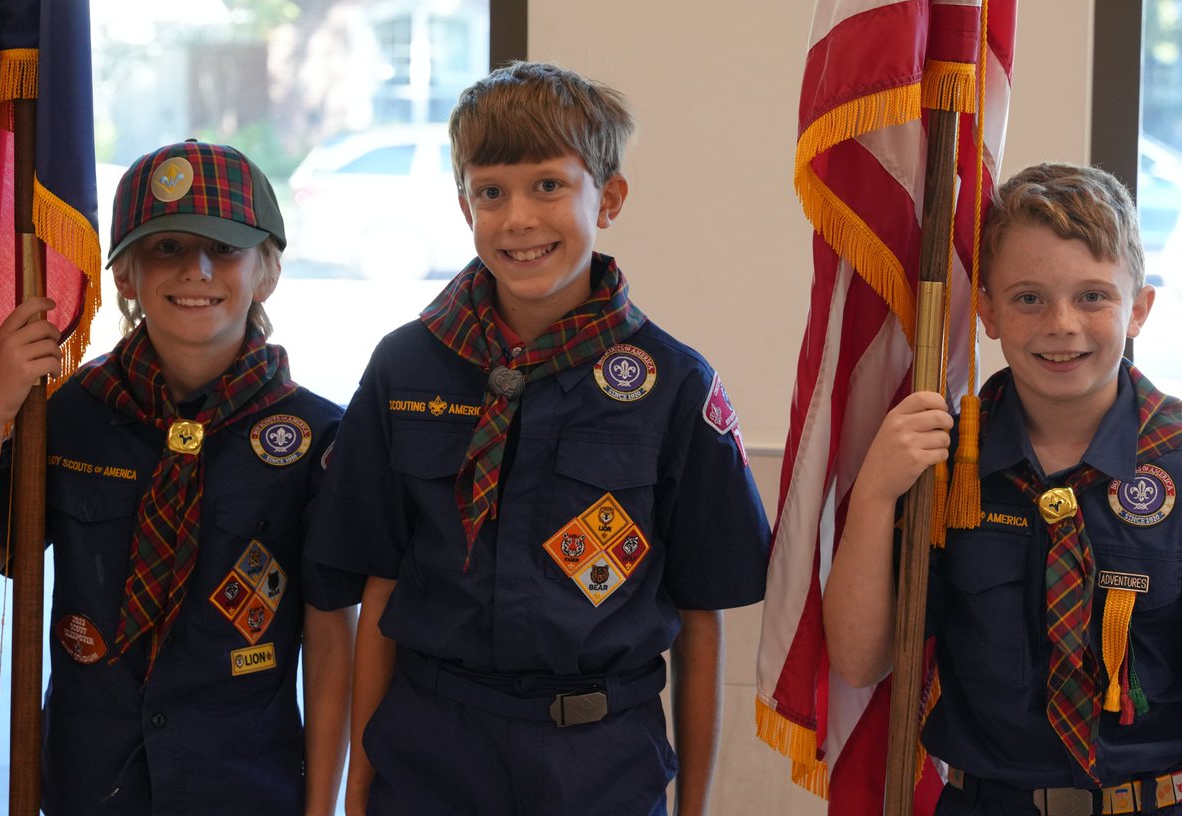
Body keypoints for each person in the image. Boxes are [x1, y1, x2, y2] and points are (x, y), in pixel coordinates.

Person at [307, 61, 772, 816]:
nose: (518, 218)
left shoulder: (674, 385)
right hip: (431, 754)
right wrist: (357, 795)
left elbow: (699, 617)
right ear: (464, 205)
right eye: (491, 192)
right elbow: (381, 585)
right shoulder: (406, 366)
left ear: (608, 198)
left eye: (548, 185)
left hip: (600, 763)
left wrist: (694, 808)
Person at [0, 140, 358, 816]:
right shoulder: (68, 414)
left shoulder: (316, 438)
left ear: (268, 271)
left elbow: (332, 642)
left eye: (224, 248)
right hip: (89, 786)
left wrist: (323, 808)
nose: (196, 269)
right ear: (125, 275)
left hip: (244, 789)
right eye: (166, 248)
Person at [823, 162, 1182, 813]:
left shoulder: (1176, 459)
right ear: (987, 310)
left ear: (1139, 309)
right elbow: (859, 659)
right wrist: (875, 494)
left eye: (1093, 297)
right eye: (1028, 298)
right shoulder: (947, 463)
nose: (1062, 323)